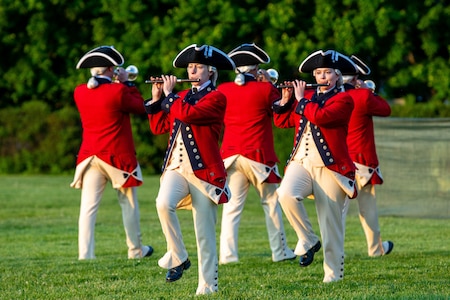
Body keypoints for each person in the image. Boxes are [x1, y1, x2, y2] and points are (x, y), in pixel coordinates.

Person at [144, 44, 235, 295]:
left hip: (204, 172)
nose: (192, 70)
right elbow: (159, 127)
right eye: (190, 67)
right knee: (163, 203)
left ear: (210, 71)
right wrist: (156, 98)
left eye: (198, 67)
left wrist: (170, 95)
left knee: (203, 232)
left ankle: (208, 286)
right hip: (176, 166)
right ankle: (179, 255)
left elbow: (189, 114)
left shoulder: (217, 97)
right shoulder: (180, 96)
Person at [273, 49, 359, 283]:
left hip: (331, 167)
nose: (322, 77)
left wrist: (300, 100)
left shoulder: (344, 99)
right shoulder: (307, 98)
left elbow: (321, 117)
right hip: (301, 161)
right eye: (318, 73)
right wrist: (284, 100)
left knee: (330, 225)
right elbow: (282, 121)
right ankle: (308, 239)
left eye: (327, 72)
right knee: (285, 195)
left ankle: (333, 275)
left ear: (337, 75)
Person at [70, 45, 153, 260]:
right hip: (117, 157)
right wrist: (127, 82)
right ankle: (135, 250)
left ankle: (85, 254)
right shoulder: (118, 90)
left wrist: (121, 83)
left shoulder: (79, 92)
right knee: (129, 204)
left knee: (88, 207)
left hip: (89, 155)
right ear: (109, 69)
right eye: (115, 68)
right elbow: (142, 107)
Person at [217, 43, 296, 264]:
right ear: (255, 69)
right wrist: (270, 84)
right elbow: (280, 110)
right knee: (271, 203)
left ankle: (227, 255)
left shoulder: (223, 89)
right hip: (259, 155)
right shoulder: (265, 89)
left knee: (232, 208)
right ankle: (279, 252)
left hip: (230, 155)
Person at [342, 55, 394, 257]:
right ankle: (375, 249)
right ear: (355, 78)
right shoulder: (362, 96)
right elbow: (385, 109)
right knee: (368, 208)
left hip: (339, 161)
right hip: (362, 161)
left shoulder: (330, 96)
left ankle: (337, 250)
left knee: (338, 210)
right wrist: (366, 90)